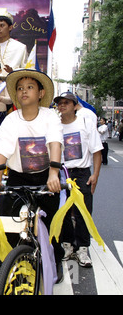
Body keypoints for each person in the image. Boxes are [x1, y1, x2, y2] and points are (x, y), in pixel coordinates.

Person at [0, 69, 64, 281]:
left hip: (45, 176)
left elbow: (55, 143)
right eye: (20, 88)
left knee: (52, 225)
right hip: (18, 177)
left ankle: (55, 261)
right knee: (10, 223)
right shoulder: (11, 120)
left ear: (40, 93)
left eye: (30, 87)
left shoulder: (50, 116)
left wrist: (54, 174)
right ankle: (12, 263)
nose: (24, 92)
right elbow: (2, 150)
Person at [54, 92, 103, 268]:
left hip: (82, 173)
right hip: (62, 173)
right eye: (59, 103)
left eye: (66, 103)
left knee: (83, 212)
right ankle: (68, 245)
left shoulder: (85, 123)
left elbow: (96, 151)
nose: (62, 106)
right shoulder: (55, 126)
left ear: (75, 106)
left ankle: (83, 248)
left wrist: (95, 175)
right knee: (63, 211)